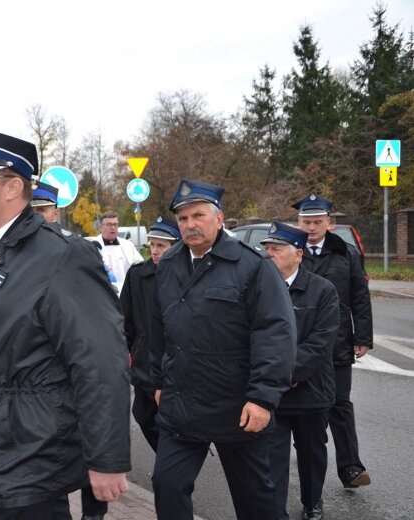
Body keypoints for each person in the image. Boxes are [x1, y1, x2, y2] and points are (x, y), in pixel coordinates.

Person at [0, 128, 131, 518]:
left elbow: (100, 363)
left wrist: (107, 457)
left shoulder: (63, 257)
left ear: (13, 187)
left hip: (29, 456)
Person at [150, 179, 296, 520]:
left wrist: (262, 398)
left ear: (219, 218)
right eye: (183, 219)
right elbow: (160, 329)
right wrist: (158, 381)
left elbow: (275, 331)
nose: (190, 225)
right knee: (167, 486)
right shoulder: (169, 264)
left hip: (238, 410)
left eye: (198, 215)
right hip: (182, 408)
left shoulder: (252, 266)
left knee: (257, 503)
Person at [32, 178, 109, 520]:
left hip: (77, 365)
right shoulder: (18, 253)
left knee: (89, 440)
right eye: (30, 211)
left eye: (42, 210)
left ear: (55, 211)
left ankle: (94, 512)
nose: (37, 217)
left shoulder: (76, 249)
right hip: (41, 377)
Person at [293, 193, 374, 489]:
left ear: (329, 223)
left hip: (338, 343)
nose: (311, 227)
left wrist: (363, 337)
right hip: (300, 345)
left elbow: (359, 297)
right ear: (298, 223)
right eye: (306, 221)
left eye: (317, 222)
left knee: (340, 404)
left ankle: (351, 467)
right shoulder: (291, 250)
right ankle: (306, 473)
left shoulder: (346, 252)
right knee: (304, 411)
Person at [260, 222, 339, 520]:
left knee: (311, 453)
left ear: (298, 255)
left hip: (310, 391)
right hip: (273, 394)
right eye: (266, 249)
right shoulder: (259, 288)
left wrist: (287, 374)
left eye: (276, 250)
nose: (269, 254)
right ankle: (275, 511)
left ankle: (312, 501)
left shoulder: (322, 290)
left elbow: (321, 343)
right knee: (272, 457)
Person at [120, 215, 180, 455]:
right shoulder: (137, 276)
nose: (155, 251)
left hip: (174, 362)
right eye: (152, 245)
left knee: (170, 420)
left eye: (161, 246)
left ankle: (171, 468)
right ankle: (167, 459)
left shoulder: (185, 275)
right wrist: (125, 350)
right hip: (145, 361)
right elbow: (125, 320)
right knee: (143, 416)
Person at [91, 212, 143, 293]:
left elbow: (139, 266)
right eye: (109, 224)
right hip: (102, 292)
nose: (113, 227)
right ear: (101, 227)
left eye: (115, 224)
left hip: (126, 291)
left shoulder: (127, 245)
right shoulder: (93, 246)